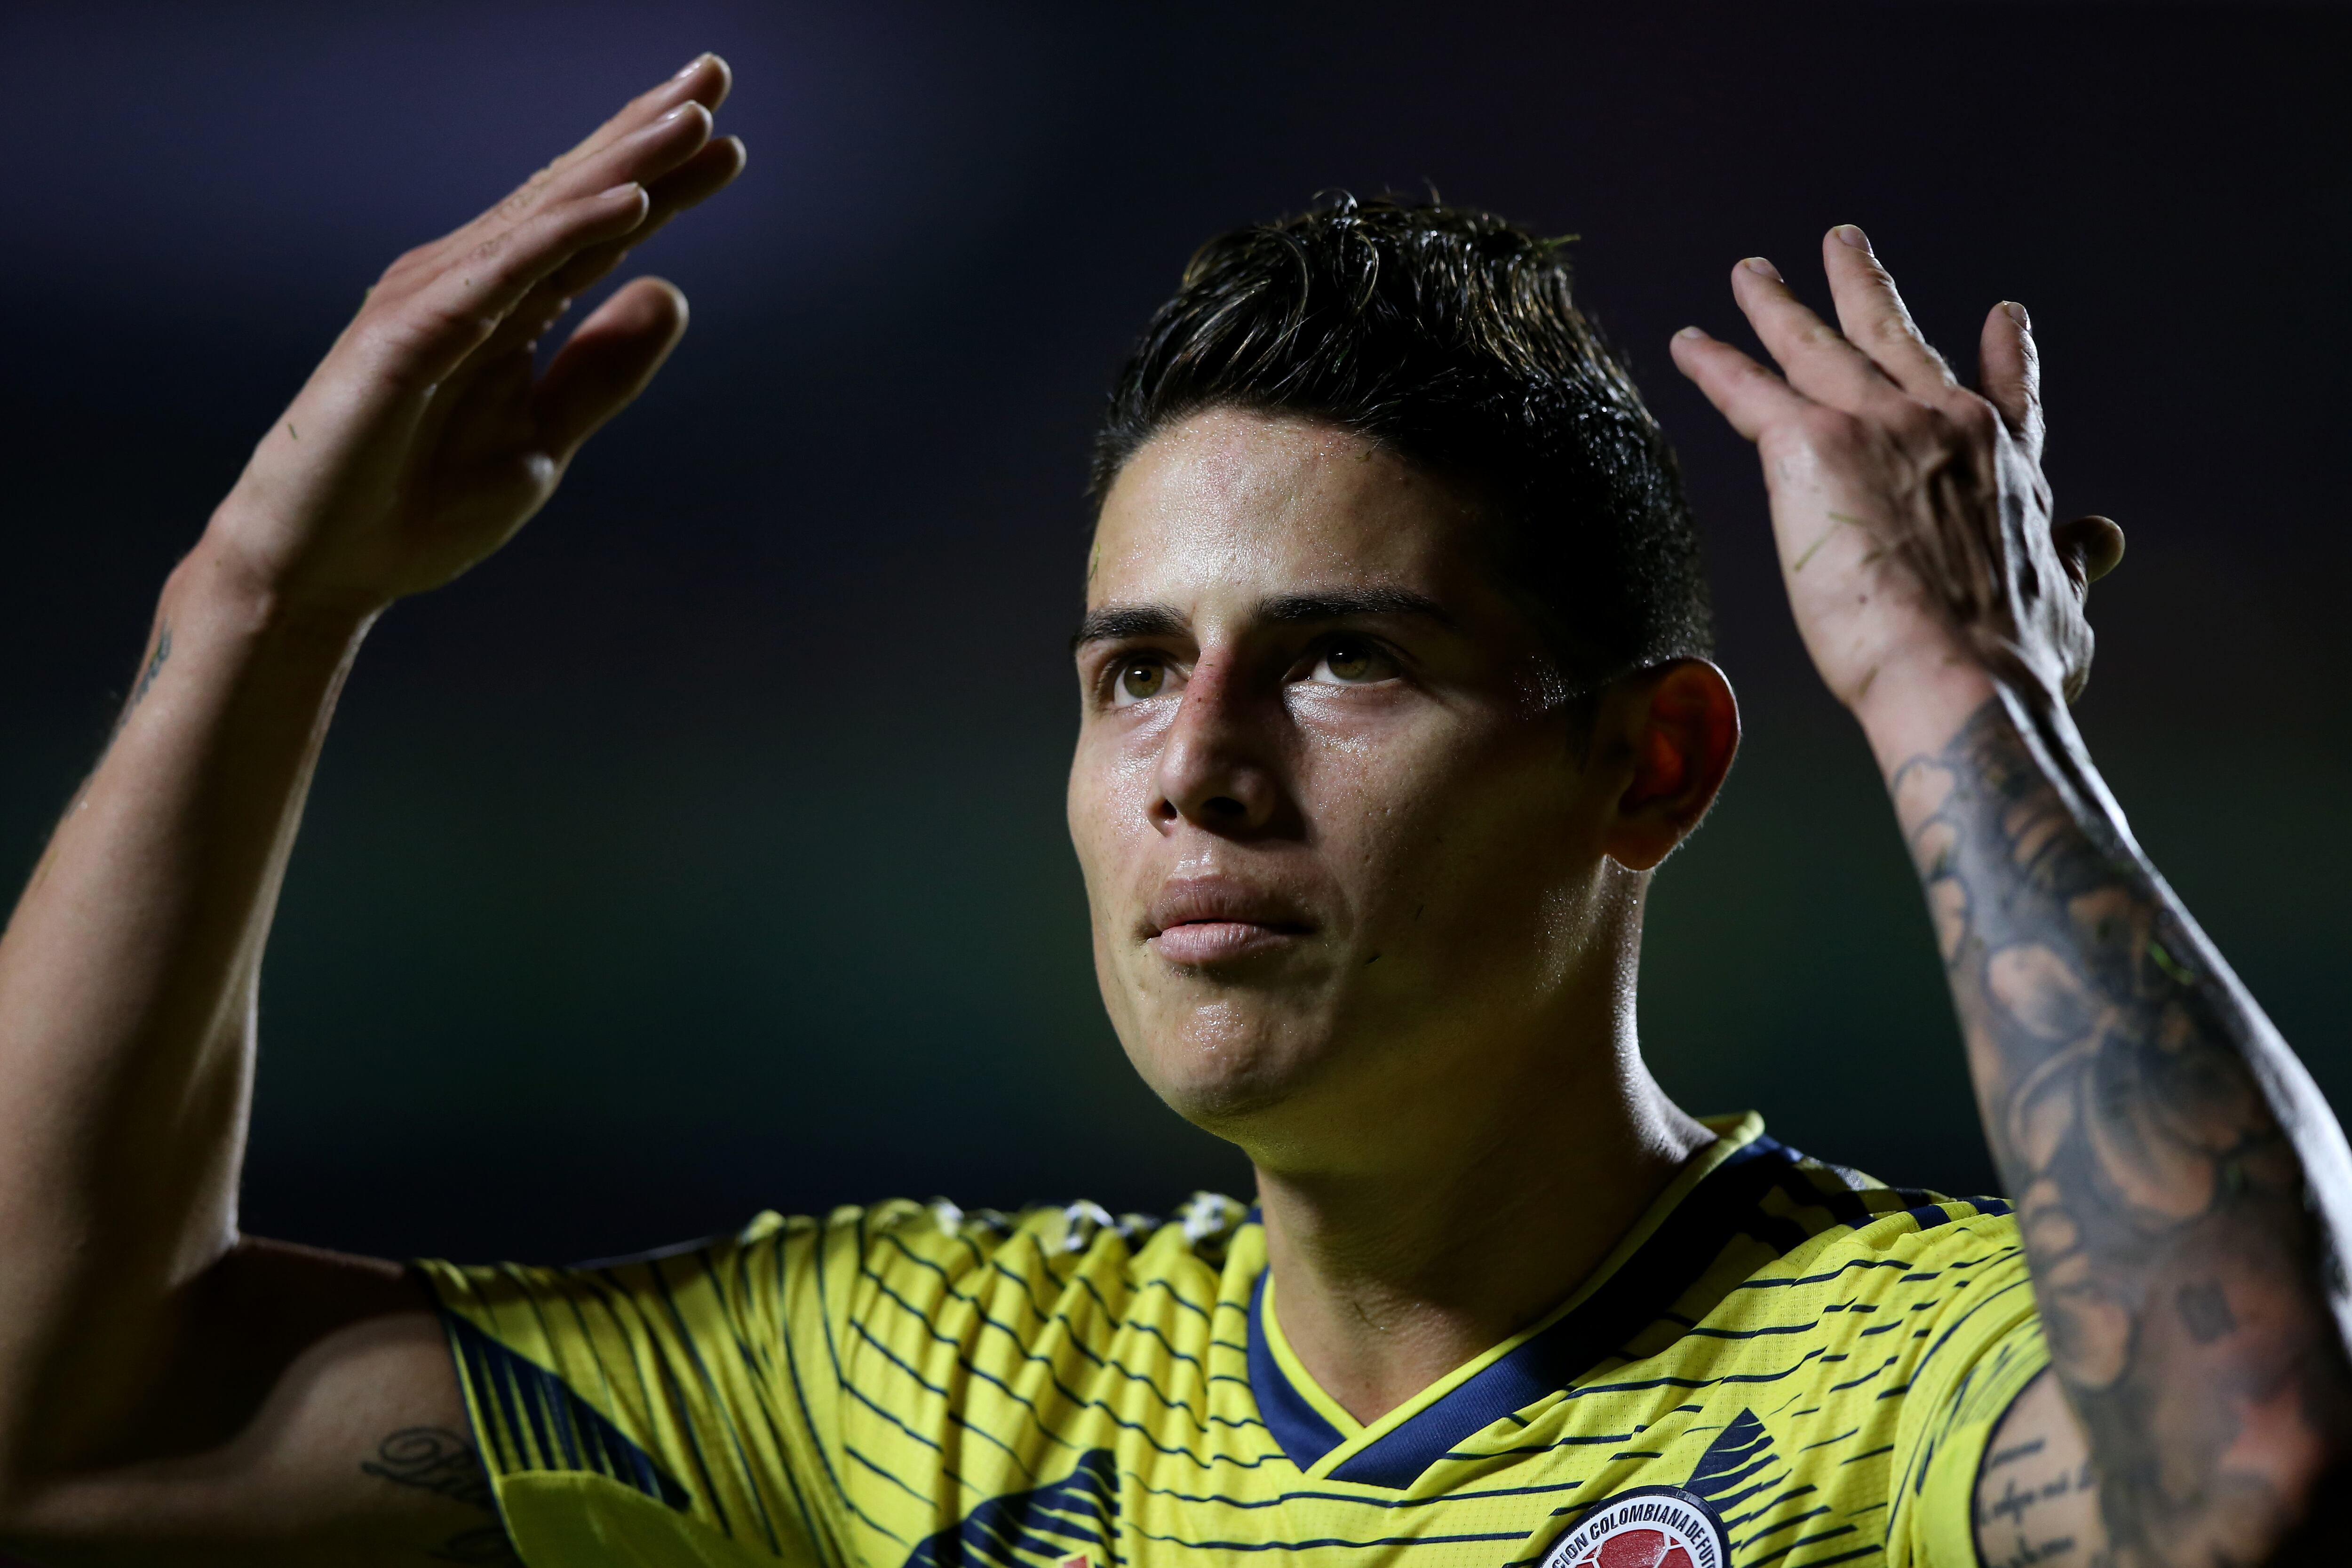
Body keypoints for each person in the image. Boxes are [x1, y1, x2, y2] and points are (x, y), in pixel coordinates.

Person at [0, 50, 2343, 1568]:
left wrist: (1963, 695)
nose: (1196, 768)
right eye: (1131, 672)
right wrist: (254, 604)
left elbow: (2242, 1473)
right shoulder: (901, 1385)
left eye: (1340, 655)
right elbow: (59, 1421)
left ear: (1650, 765)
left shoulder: (1889, 1369)